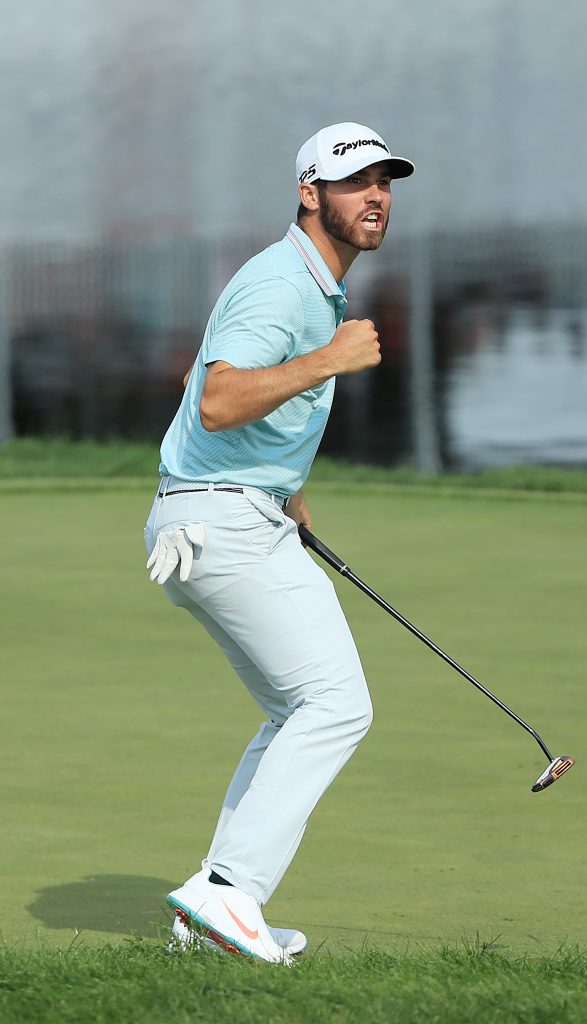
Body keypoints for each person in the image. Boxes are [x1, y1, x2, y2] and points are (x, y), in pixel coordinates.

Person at [144, 122, 414, 964]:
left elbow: (199, 383)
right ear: (310, 193)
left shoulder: (304, 284)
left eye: (384, 181)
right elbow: (220, 399)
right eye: (354, 182)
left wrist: (285, 492)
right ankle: (229, 896)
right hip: (218, 520)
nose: (375, 196)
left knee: (293, 710)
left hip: (223, 512)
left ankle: (209, 916)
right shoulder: (283, 285)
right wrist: (329, 359)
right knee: (336, 704)